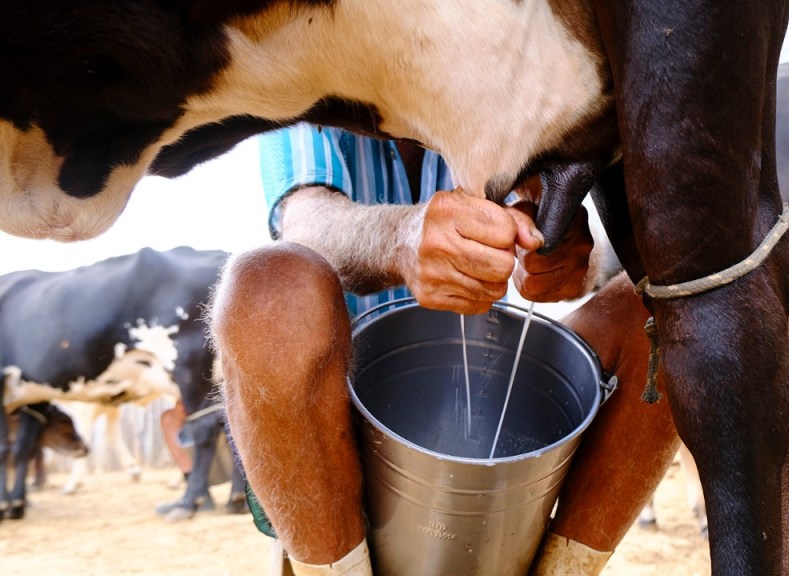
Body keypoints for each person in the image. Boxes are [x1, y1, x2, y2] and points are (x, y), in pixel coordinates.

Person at [210, 124, 680, 575]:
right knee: (266, 285)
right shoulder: (307, 85)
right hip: (339, 419)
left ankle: (564, 568)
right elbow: (306, 223)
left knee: (663, 309)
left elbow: (571, 244)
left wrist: (565, 258)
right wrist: (400, 239)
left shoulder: (496, 89)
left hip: (490, 419)